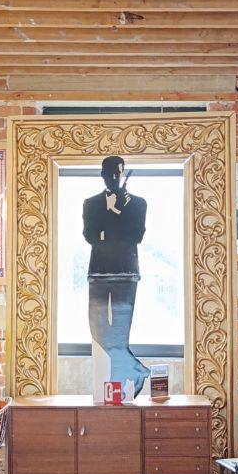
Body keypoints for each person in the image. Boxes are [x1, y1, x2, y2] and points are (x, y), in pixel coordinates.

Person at [82, 156, 150, 396]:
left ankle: (118, 380)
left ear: (123, 174)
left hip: (126, 273)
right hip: (98, 272)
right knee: (98, 332)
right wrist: (113, 215)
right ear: (102, 175)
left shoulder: (138, 204)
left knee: (119, 336)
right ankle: (136, 371)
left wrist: (116, 213)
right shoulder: (91, 203)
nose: (114, 178)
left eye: (118, 173)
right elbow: (90, 236)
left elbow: (136, 236)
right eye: (110, 173)